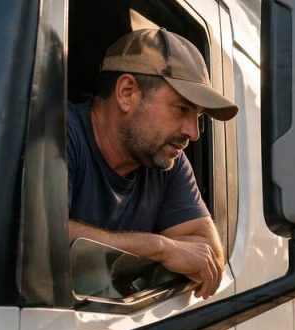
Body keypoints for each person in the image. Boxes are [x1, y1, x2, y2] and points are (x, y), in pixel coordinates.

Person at [68, 28, 238, 299]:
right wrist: (161, 248)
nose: (193, 133)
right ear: (127, 93)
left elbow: (208, 256)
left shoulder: (167, 159)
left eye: (199, 117)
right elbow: (39, 237)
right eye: (182, 109)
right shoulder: (59, 135)